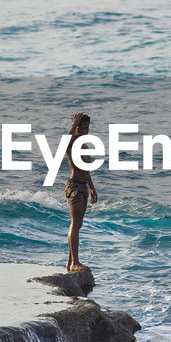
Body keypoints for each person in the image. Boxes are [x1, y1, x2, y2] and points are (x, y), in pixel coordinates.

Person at [64, 111, 98, 272]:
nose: (84, 132)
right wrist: (73, 125)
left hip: (84, 186)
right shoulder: (72, 144)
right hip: (75, 186)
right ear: (76, 128)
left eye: (87, 129)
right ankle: (75, 263)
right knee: (75, 224)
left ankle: (70, 261)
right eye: (81, 128)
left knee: (79, 224)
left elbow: (86, 169)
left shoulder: (84, 145)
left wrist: (91, 187)